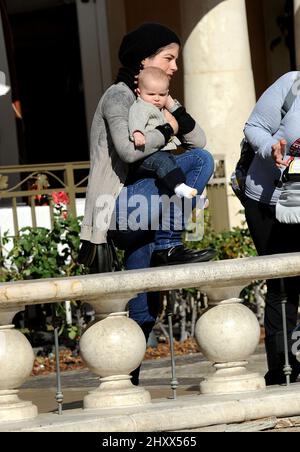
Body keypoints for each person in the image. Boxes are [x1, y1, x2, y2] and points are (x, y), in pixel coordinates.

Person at [80, 23, 216, 385]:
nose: (174, 67)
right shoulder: (118, 97)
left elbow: (199, 135)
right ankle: (169, 246)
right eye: (168, 59)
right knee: (200, 161)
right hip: (121, 209)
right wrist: (168, 130)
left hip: (145, 210)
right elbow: (128, 149)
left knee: (144, 308)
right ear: (144, 61)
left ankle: (126, 386)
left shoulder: (157, 97)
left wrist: (172, 106)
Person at [243, 71, 300, 385]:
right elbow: (254, 126)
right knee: (281, 289)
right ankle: (283, 370)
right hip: (266, 199)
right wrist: (270, 147)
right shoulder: (291, 85)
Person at [129, 66, 198, 199]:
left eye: (162, 95)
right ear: (138, 92)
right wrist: (137, 132)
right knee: (163, 162)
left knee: (171, 165)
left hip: (159, 152)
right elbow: (135, 119)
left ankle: (192, 195)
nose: (156, 98)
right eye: (151, 94)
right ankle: (179, 187)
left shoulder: (160, 109)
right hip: (145, 156)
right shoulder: (141, 106)